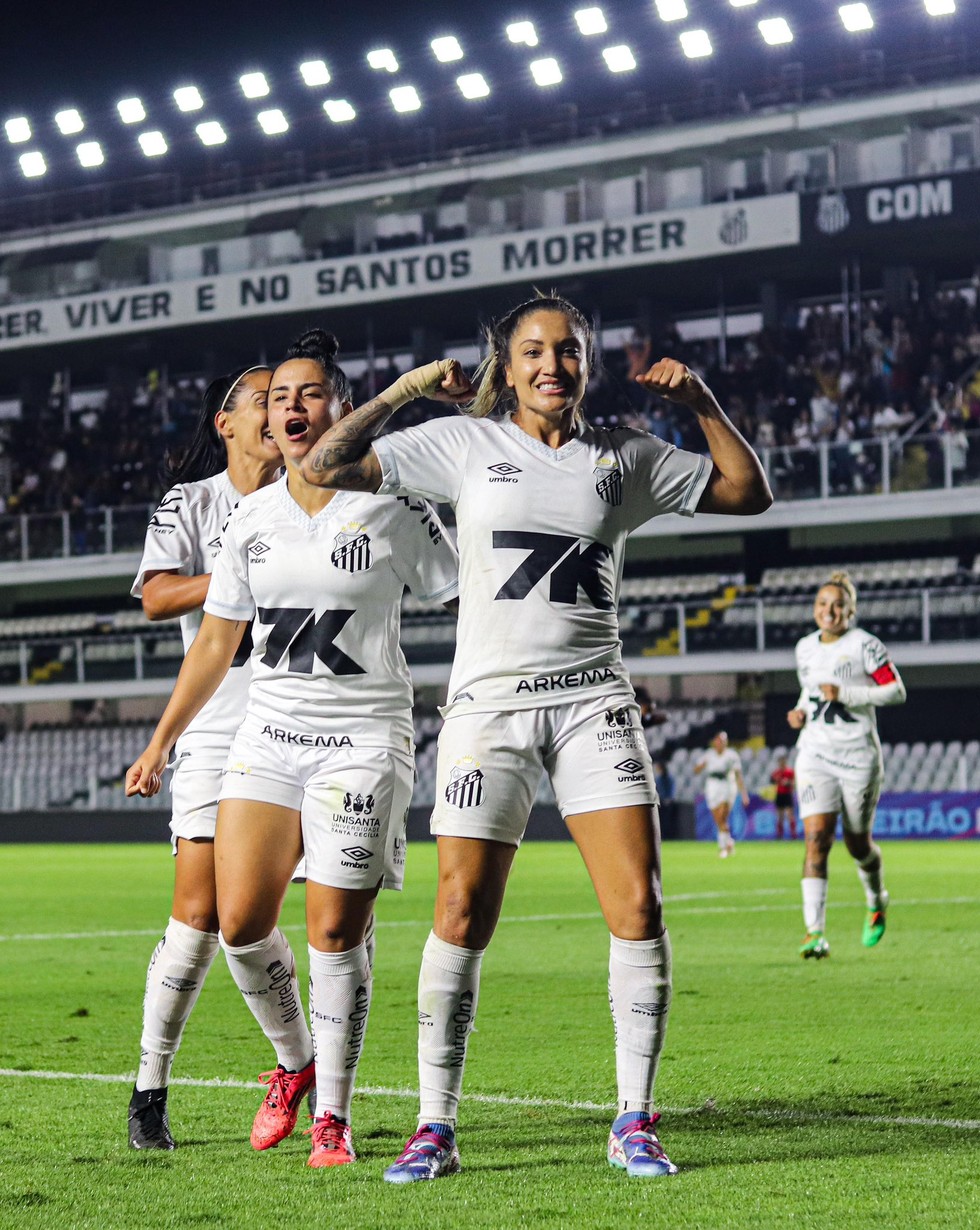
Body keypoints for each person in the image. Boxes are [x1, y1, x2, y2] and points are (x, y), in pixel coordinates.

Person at [298, 292, 772, 1181]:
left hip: (597, 701)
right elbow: (325, 464)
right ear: (504, 366)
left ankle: (634, 1117)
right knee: (461, 913)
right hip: (488, 712)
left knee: (639, 908)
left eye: (567, 350)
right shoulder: (464, 445)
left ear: (586, 364)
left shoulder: (623, 458)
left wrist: (703, 403)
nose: (551, 364)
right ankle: (435, 1124)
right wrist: (401, 390)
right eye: (532, 351)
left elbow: (748, 491)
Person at [126, 329, 463, 1167]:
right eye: (280, 398)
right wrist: (163, 740)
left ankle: (334, 1121)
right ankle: (298, 1064)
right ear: (263, 423)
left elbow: (468, 590)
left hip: (361, 736)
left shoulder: (391, 504)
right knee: (238, 923)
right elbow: (214, 641)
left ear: (342, 409)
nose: (293, 407)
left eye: (311, 394)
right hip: (266, 735)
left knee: (332, 934)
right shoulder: (246, 521)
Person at [126, 364, 281, 1150]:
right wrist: (234, 574)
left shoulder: (315, 495)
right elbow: (154, 595)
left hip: (308, 721)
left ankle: (317, 1082)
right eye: (262, 398)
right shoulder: (191, 503)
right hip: (219, 726)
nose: (277, 409)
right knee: (198, 916)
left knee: (333, 914)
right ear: (225, 421)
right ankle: (150, 1088)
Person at [787, 571, 906, 959]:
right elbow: (810, 693)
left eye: (837, 605)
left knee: (857, 844)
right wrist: (800, 713)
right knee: (817, 839)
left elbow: (896, 690)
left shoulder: (866, 646)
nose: (829, 611)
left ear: (850, 610)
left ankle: (877, 899)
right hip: (815, 754)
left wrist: (848, 694)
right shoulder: (804, 648)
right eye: (822, 604)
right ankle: (813, 934)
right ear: (814, 609)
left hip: (858, 757)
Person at [695, 731, 749, 858]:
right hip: (712, 786)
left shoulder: (731, 755)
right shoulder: (708, 755)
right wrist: (701, 766)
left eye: (723, 741)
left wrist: (744, 794)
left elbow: (737, 775)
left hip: (727, 785)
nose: (721, 743)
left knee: (722, 816)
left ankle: (723, 847)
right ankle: (729, 841)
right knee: (718, 819)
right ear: (715, 742)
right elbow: (696, 770)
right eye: (719, 740)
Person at [770, 754, 796, 840]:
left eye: (783, 762)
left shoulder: (790, 772)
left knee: (789, 815)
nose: (781, 763)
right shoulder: (776, 772)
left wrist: (787, 783)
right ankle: (779, 835)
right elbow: (772, 781)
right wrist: (775, 780)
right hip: (779, 794)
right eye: (780, 762)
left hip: (787, 794)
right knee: (780, 816)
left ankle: (793, 834)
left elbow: (794, 783)